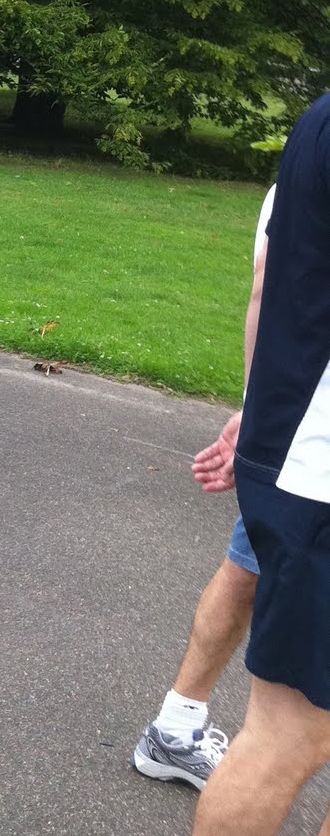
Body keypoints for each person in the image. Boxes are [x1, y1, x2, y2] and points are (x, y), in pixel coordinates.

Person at [152, 97, 330, 836]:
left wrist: (257, 413)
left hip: (298, 450)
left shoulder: (319, 119)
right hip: (319, 473)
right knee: (288, 732)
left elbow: (277, 283)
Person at [133, 187, 273, 790]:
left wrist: (259, 413)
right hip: (312, 439)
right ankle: (181, 732)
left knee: (249, 567)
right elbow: (267, 288)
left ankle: (177, 727)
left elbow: (268, 289)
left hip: (299, 431)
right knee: (252, 569)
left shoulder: (298, 171)